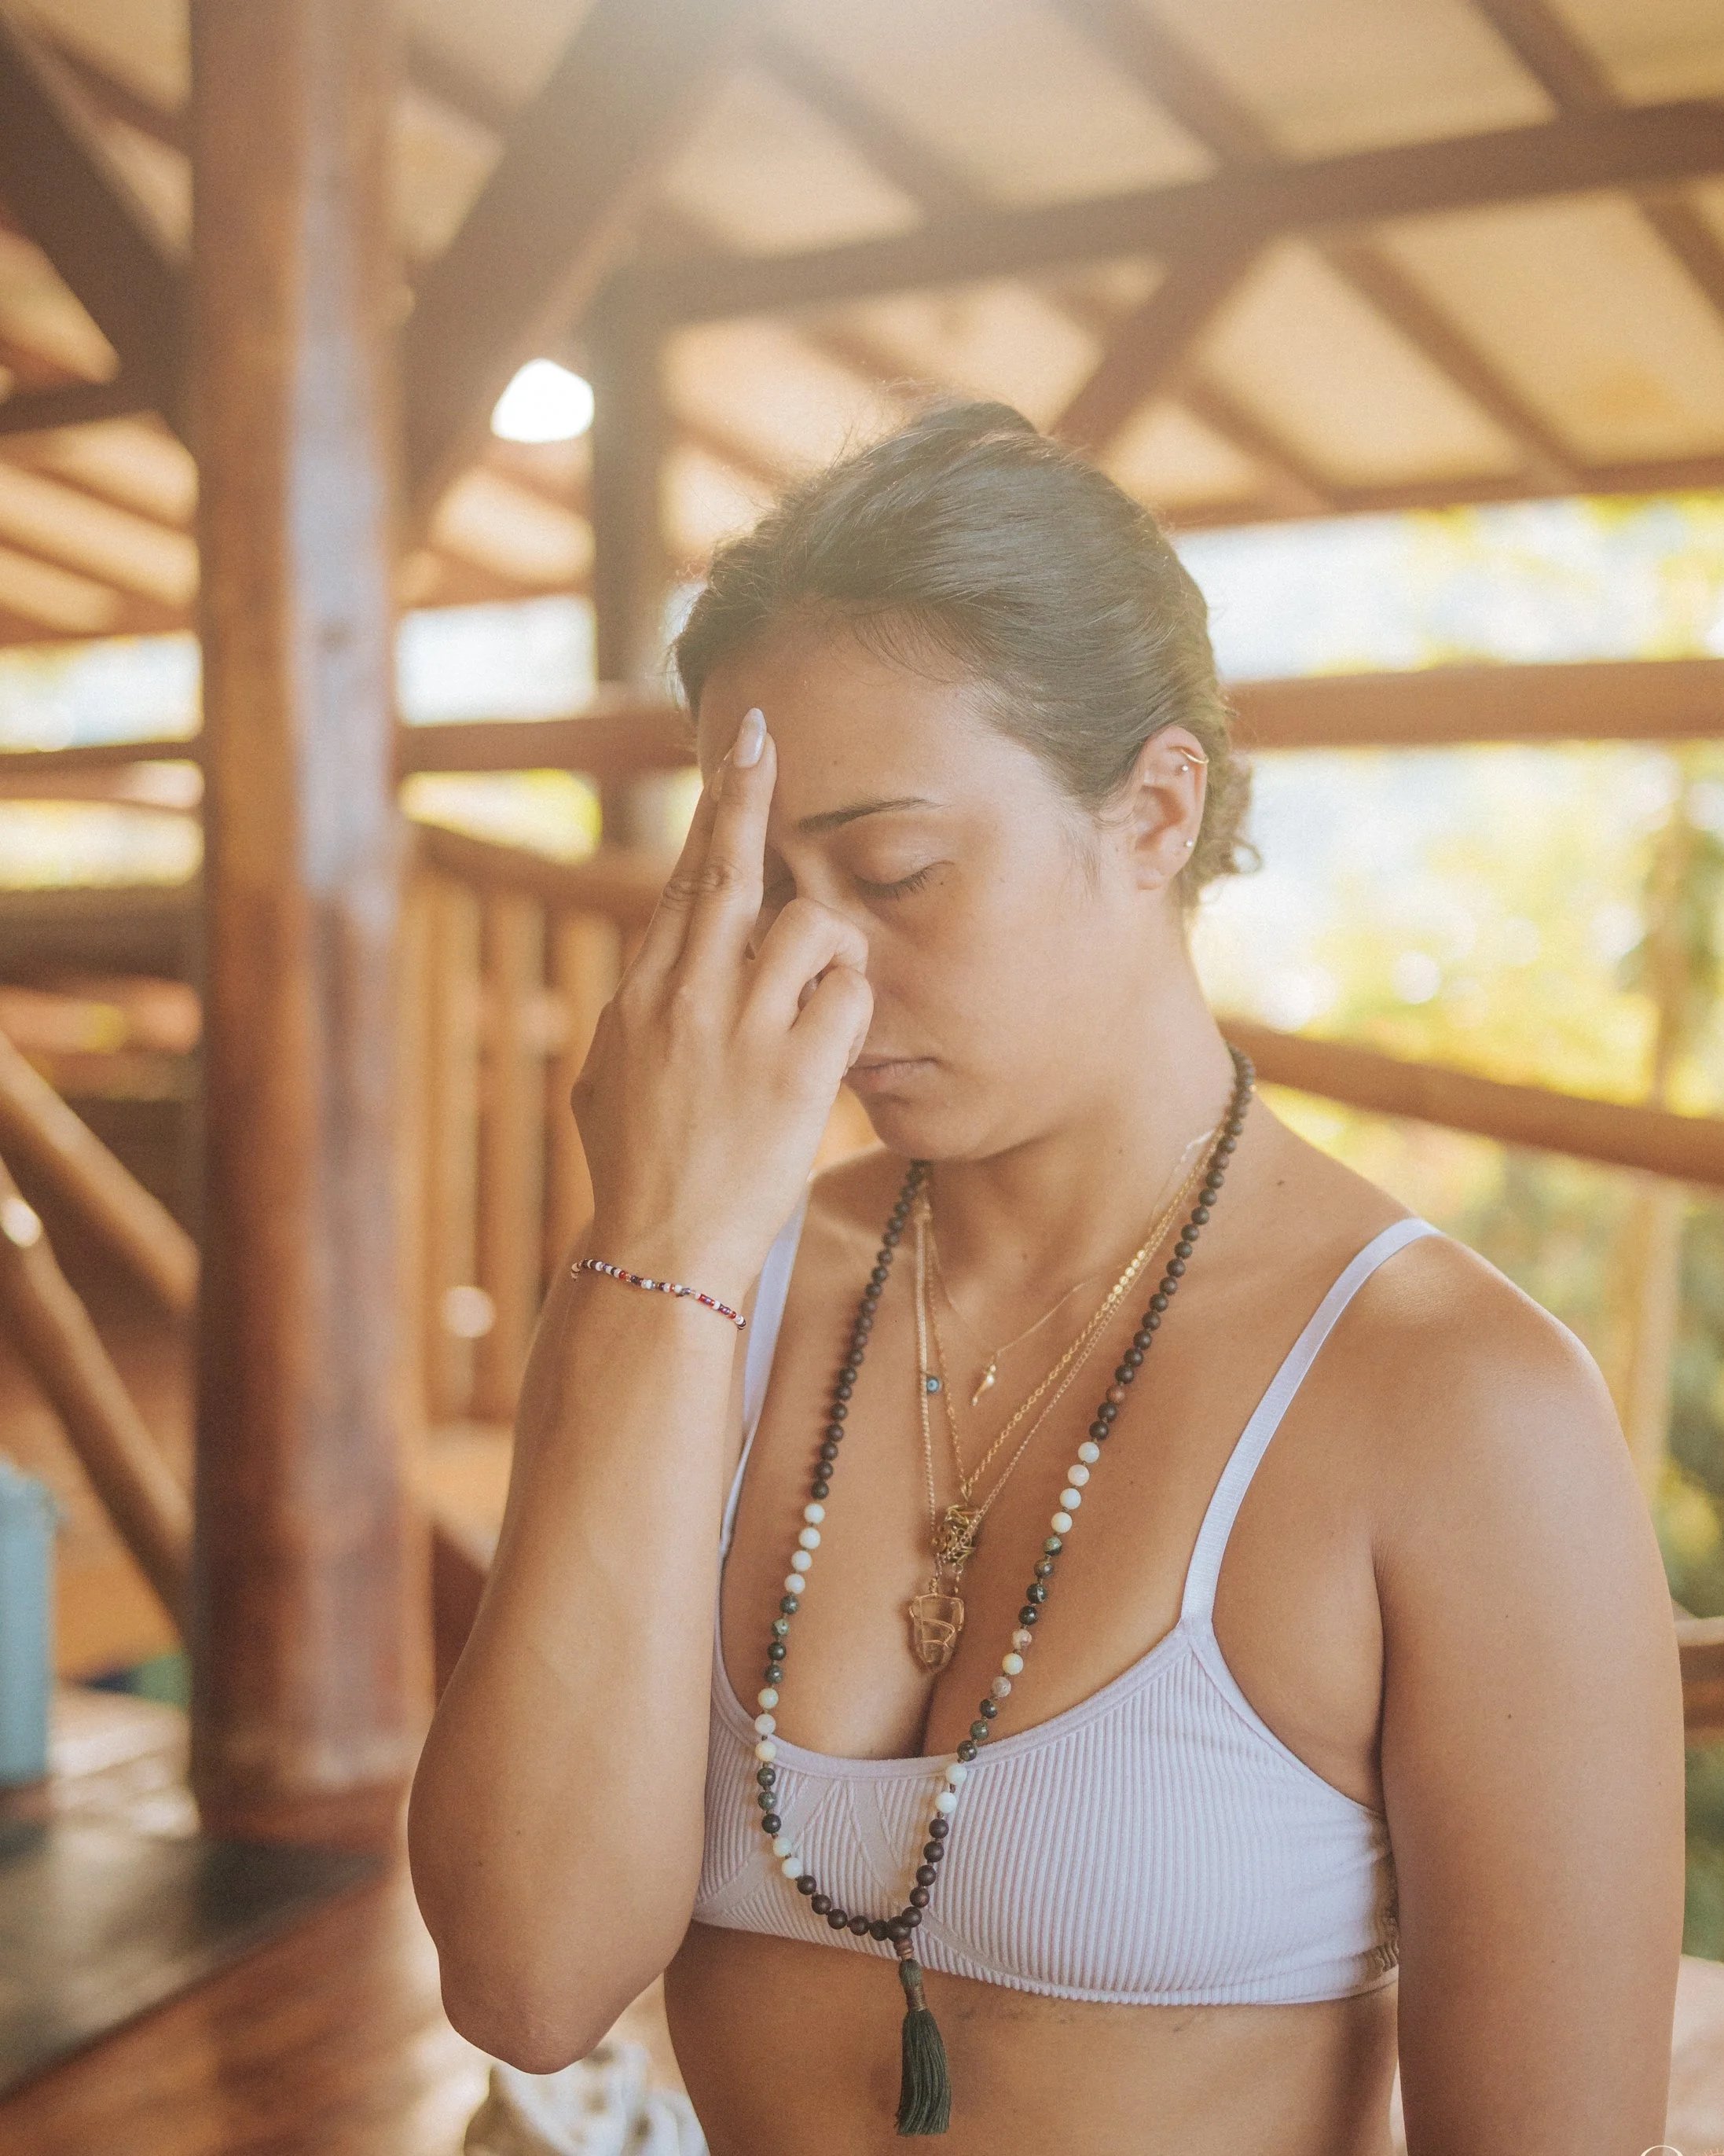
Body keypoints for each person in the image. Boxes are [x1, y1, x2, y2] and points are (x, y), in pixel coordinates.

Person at [409, 401, 1685, 2154]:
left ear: (1154, 812)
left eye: (897, 869)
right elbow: (525, 1982)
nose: (820, 965)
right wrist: (664, 1246)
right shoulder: (698, 1287)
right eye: (766, 892)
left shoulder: (1453, 1401)